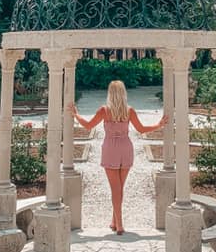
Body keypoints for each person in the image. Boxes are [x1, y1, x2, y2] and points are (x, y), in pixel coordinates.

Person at [69, 80, 168, 235]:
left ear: (110, 94)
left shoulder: (104, 110)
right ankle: (114, 221)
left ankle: (120, 224)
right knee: (120, 188)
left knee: (115, 188)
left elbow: (88, 125)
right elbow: (141, 129)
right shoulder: (130, 111)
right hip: (125, 147)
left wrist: (76, 115)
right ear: (123, 94)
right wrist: (159, 125)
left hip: (110, 148)